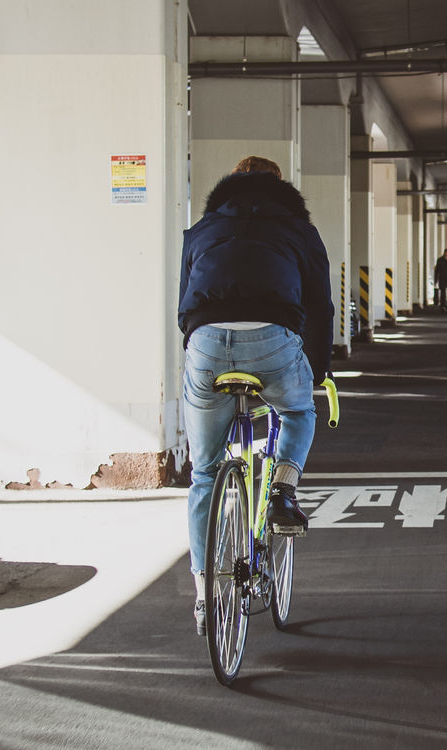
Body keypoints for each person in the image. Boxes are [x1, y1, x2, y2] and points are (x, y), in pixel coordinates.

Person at [178, 156, 334, 636]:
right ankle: (282, 492)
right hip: (272, 339)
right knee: (299, 411)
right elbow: (320, 306)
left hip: (205, 341)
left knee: (203, 471)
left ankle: (205, 592)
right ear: (279, 187)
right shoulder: (299, 230)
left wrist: (198, 347)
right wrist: (317, 371)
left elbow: (185, 300)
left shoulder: (201, 228)